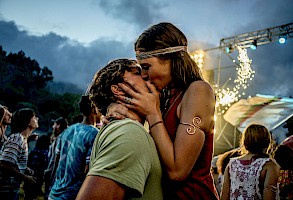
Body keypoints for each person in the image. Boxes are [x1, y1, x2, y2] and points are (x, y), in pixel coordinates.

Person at [109, 22, 218, 199]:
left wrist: (152, 114)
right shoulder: (165, 98)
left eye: (146, 66)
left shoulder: (198, 90)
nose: (144, 75)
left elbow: (177, 171)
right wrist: (119, 114)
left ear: (169, 59)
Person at [76, 58, 163, 199]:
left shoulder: (125, 130)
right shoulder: (129, 133)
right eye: (137, 72)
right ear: (117, 89)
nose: (146, 75)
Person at [49, 95, 101, 200]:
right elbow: (87, 170)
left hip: (54, 193)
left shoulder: (67, 131)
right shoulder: (94, 134)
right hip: (73, 195)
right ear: (94, 108)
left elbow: (56, 162)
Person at [220, 124, 280, 200]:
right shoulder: (269, 165)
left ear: (244, 141)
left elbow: (224, 197)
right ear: (267, 142)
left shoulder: (232, 165)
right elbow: (269, 196)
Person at [0, 108, 38, 200]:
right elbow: (3, 164)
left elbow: (11, 161)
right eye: (34, 117)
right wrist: (25, 177)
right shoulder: (17, 139)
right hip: (6, 189)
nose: (37, 119)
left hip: (11, 188)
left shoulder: (22, 139)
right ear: (28, 122)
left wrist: (24, 168)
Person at [44, 116, 68, 198]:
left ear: (58, 125)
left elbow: (55, 159)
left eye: (54, 124)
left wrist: (49, 171)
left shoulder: (61, 138)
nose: (52, 126)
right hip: (51, 170)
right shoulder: (55, 138)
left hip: (54, 172)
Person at [23, 135, 50, 200]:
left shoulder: (34, 151)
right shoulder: (46, 152)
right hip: (38, 177)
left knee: (28, 196)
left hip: (29, 176)